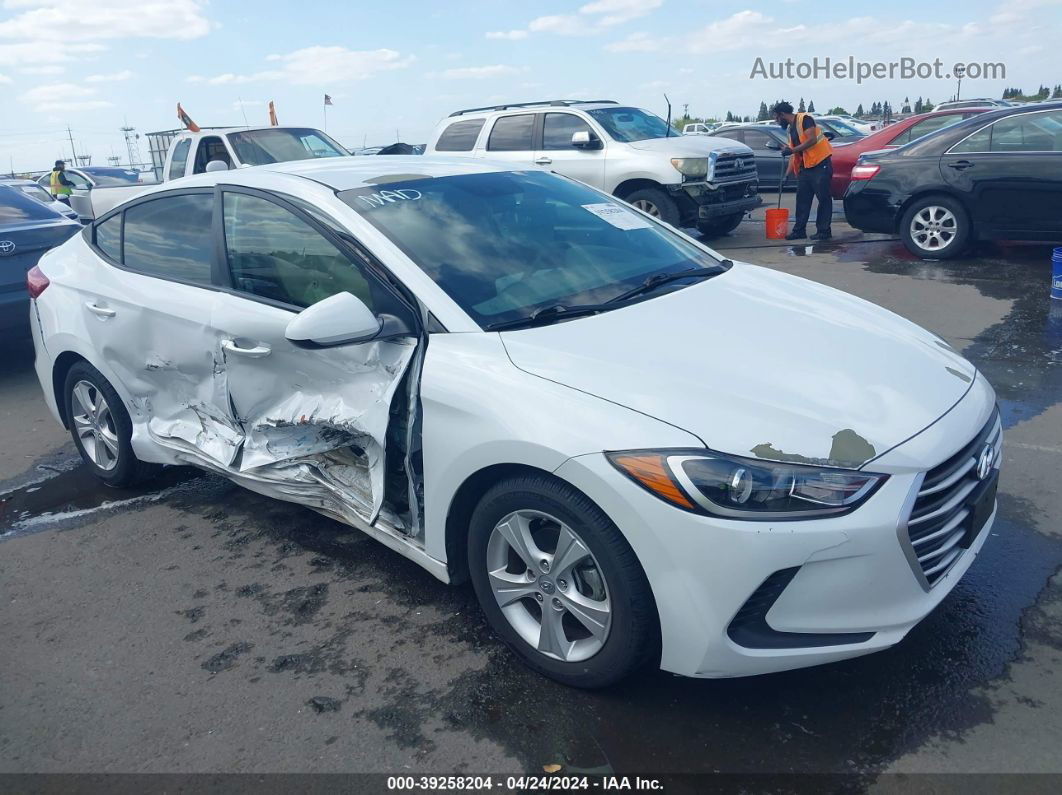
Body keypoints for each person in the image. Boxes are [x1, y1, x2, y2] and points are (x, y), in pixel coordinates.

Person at [772, 101, 833, 241]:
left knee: (823, 199)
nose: (776, 121)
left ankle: (824, 231)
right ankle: (799, 231)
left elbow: (811, 140)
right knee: (802, 200)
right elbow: (794, 154)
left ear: (782, 114)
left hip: (820, 164)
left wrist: (792, 150)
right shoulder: (790, 129)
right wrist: (786, 175)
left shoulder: (805, 119)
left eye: (776, 117)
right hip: (805, 168)